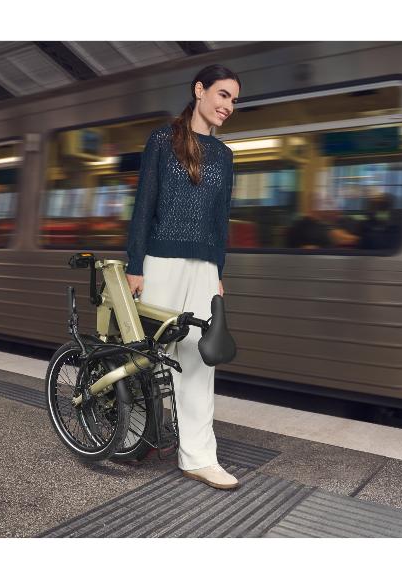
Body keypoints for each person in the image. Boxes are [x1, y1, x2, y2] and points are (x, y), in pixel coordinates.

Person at [125, 64, 240, 490]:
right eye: (223, 94)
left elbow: (220, 221)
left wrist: (218, 272)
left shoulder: (225, 157)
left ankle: (199, 457)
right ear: (199, 90)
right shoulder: (162, 140)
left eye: (233, 99)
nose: (228, 105)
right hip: (159, 262)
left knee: (196, 362)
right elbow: (144, 205)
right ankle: (133, 432)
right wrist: (135, 265)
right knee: (147, 355)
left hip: (203, 269)